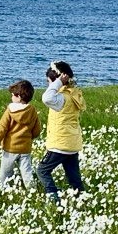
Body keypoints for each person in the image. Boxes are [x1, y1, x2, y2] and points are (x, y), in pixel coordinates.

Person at [35, 60, 85, 203]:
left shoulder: (60, 97)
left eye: (48, 82)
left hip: (60, 144)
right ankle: (81, 199)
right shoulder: (74, 94)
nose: (48, 86)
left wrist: (57, 83)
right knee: (73, 177)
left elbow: (46, 98)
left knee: (42, 170)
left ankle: (53, 197)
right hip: (72, 143)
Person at [0, 79, 42, 189]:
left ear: (19, 97)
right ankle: (32, 189)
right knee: (27, 172)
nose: (11, 97)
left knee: (5, 173)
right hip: (25, 148)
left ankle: (3, 189)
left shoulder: (10, 111)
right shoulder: (32, 110)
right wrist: (32, 136)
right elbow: (37, 129)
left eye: (13, 95)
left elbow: (2, 128)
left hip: (10, 148)